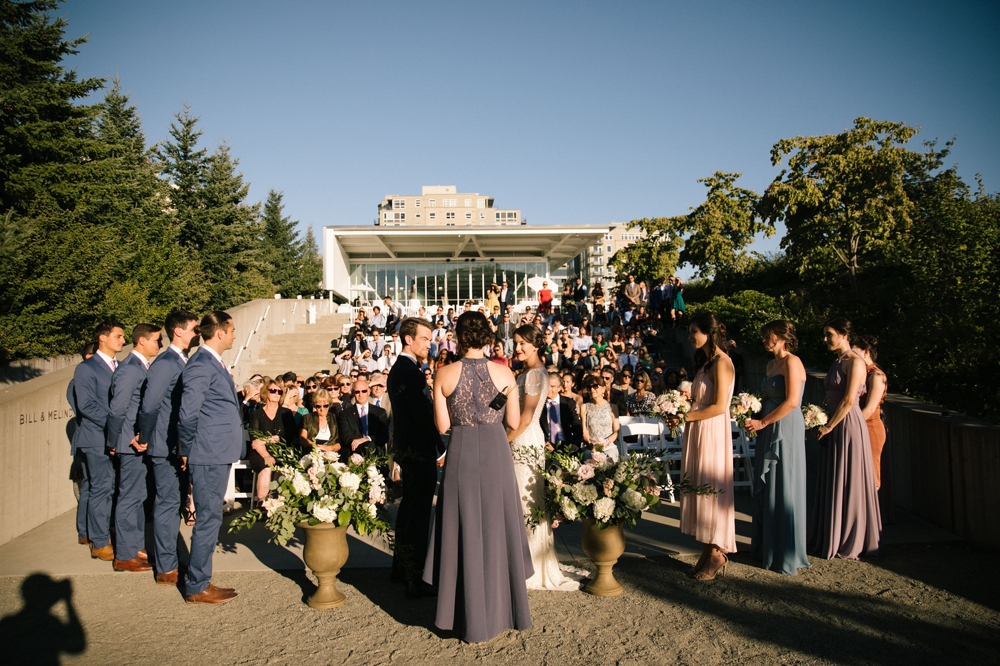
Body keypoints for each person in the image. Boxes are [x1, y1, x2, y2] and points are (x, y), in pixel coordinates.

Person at [424, 311, 533, 643]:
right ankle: (502, 609)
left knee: (464, 529)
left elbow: (442, 427)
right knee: (497, 527)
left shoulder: (443, 373)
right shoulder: (505, 374)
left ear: (458, 337)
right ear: (488, 338)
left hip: (462, 455)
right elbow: (513, 421)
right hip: (496, 454)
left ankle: (465, 616)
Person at [507, 325, 585, 591]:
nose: (517, 348)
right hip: (524, 438)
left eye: (522, 343)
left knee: (526, 501)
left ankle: (529, 564)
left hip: (524, 440)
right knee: (522, 500)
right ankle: (523, 561)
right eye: (515, 342)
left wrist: (501, 440)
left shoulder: (534, 375)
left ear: (536, 344)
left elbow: (527, 418)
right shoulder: (529, 373)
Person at [177, 311, 242, 604]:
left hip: (216, 450)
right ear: (219, 333)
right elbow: (187, 413)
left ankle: (200, 580)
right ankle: (196, 584)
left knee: (211, 517)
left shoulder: (211, 362)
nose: (234, 335)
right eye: (231, 331)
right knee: (207, 519)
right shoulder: (201, 365)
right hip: (207, 452)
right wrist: (186, 449)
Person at [136, 310, 200, 586]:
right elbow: (150, 405)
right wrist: (145, 436)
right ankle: (166, 567)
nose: (198, 334)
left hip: (176, 445)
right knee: (167, 505)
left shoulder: (181, 360)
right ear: (179, 331)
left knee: (173, 505)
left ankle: (169, 560)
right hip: (165, 446)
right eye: (194, 329)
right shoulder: (166, 363)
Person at [809, 318, 881, 560]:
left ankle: (851, 538)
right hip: (833, 422)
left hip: (847, 424)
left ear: (843, 335)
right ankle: (832, 534)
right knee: (834, 476)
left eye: (829, 334)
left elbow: (850, 400)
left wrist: (829, 425)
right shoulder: (837, 361)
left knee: (848, 477)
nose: (825, 339)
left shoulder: (855, 362)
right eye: (824, 335)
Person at [744, 320, 811, 576]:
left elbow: (793, 400)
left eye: (767, 335)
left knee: (784, 482)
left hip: (785, 427)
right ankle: (766, 547)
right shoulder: (771, 364)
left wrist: (762, 421)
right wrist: (749, 409)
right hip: (766, 426)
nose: (764, 339)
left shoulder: (793, 362)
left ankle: (785, 551)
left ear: (782, 337)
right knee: (768, 482)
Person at [678, 312, 736, 581]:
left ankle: (716, 552)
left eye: (694, 331)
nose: (691, 336)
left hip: (712, 431)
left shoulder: (722, 363)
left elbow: (719, 406)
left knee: (711, 490)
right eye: (689, 332)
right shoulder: (706, 362)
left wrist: (684, 416)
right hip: (698, 429)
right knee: (700, 489)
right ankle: (707, 548)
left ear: (708, 332)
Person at [106, 323, 162, 572]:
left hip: (138, 442)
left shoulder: (141, 366)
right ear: (142, 341)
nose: (159, 345)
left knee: (138, 496)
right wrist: (122, 438)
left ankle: (135, 546)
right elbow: (118, 409)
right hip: (130, 444)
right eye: (156, 340)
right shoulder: (130, 369)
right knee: (129, 498)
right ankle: (125, 555)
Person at [69, 321, 125, 561]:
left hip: (115, 436)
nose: (123, 340)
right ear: (103, 338)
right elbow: (87, 405)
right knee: (101, 488)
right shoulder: (86, 368)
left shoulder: (120, 367)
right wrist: (115, 425)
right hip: (96, 438)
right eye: (119, 336)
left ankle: (102, 533)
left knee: (109, 487)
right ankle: (100, 542)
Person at [248, 378, 299, 502]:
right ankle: (262, 503)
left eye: (279, 392)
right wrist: (266, 455)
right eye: (273, 391)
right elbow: (255, 440)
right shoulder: (257, 414)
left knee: (282, 464)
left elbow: (286, 437)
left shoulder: (286, 413)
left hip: (281, 451)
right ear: (266, 392)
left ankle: (274, 500)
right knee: (266, 467)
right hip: (261, 452)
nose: (276, 394)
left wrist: (266, 439)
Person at [856, 335, 887, 491]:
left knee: (870, 474)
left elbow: (869, 409)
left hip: (870, 427)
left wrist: (847, 424)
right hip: (859, 425)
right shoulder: (859, 373)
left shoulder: (876, 376)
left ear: (866, 352)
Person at [337, 378, 389, 459]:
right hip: (354, 454)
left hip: (376, 455)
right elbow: (346, 436)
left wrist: (366, 439)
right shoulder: (345, 414)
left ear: (368, 391)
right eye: (357, 392)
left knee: (370, 445)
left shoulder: (379, 412)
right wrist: (359, 442)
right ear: (353, 393)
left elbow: (384, 436)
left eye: (363, 391)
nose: (360, 394)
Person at [580, 374, 620, 461]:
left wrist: (604, 444)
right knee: (588, 455)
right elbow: (584, 431)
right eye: (589, 387)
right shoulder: (584, 407)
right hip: (591, 446)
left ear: (603, 388)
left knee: (611, 456)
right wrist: (592, 445)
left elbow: (616, 432)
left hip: (608, 445)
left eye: (595, 386)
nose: (592, 389)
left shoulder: (613, 407)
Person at [540, 372, 582, 451]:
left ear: (559, 388)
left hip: (566, 445)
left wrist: (575, 444)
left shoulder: (568, 403)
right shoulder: (540, 404)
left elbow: (577, 425)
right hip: (545, 445)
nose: (549, 389)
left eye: (552, 386)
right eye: (547, 386)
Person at [300, 388, 338, 454]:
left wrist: (329, 448)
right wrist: (315, 447)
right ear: (314, 405)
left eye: (325, 406)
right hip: (311, 452)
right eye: (318, 406)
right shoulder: (307, 418)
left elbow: (340, 442)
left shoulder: (335, 419)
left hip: (330, 453)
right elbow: (302, 438)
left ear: (330, 404)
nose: (322, 409)